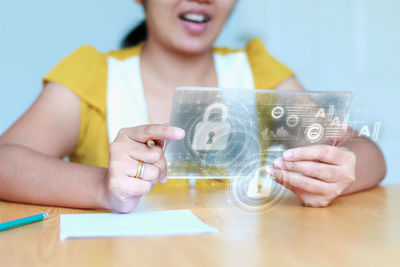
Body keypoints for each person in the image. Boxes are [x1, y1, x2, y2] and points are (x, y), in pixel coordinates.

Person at [0, 0, 386, 213]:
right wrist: (101, 187)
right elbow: (6, 162)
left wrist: (339, 173)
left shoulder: (258, 71)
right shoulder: (92, 76)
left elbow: (367, 153)